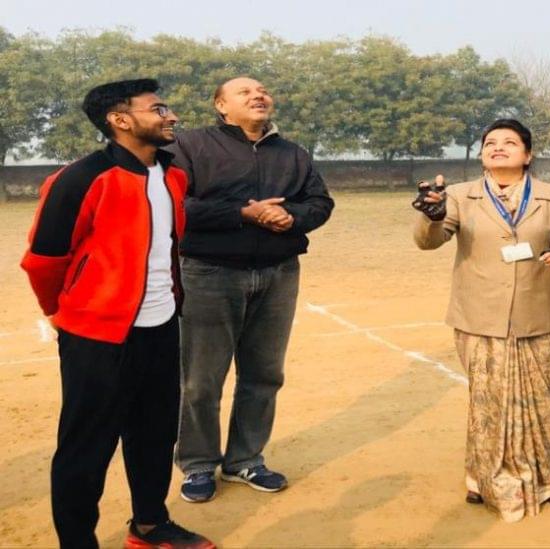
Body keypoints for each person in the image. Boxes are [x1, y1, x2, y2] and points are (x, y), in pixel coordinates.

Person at [21, 79, 214, 548]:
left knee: (154, 433)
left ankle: (149, 525)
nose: (170, 116)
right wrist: (62, 313)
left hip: (162, 326)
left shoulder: (173, 176)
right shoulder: (80, 178)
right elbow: (44, 260)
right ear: (120, 120)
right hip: (96, 336)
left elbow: (168, 248)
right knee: (86, 447)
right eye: (158, 108)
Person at [167, 77, 335, 503]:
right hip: (208, 272)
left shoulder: (292, 152)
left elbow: (320, 202)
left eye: (262, 91)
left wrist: (291, 218)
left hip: (279, 273)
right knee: (201, 379)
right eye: (244, 92)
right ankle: (199, 463)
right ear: (221, 106)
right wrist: (244, 213)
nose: (258, 96)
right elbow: (178, 204)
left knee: (264, 374)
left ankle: (245, 459)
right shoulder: (190, 146)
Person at [412, 119, 550, 522]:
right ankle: (480, 477)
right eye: (491, 143)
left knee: (541, 402)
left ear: (528, 154)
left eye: (510, 142)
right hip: (478, 317)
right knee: (487, 402)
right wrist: (432, 215)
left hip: (536, 314)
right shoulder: (457, 195)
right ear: (482, 154)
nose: (499, 147)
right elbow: (429, 241)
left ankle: (549, 480)